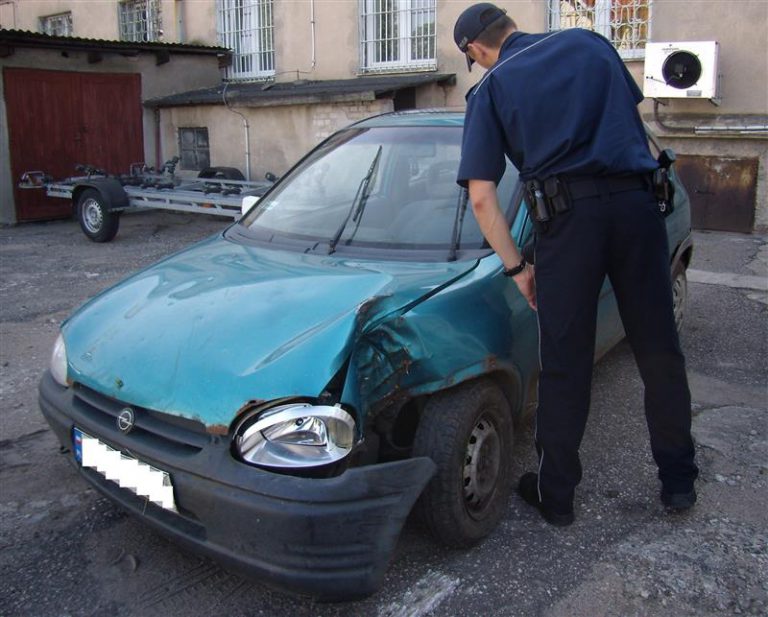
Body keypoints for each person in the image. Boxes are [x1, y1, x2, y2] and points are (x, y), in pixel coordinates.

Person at [453, 3, 698, 526]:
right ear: (509, 27)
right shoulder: (591, 44)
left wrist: (519, 269)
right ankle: (679, 481)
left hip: (568, 226)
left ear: (476, 50)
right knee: (659, 350)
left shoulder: (491, 87)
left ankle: (557, 496)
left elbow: (481, 198)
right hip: (637, 209)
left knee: (565, 364)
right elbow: (638, 133)